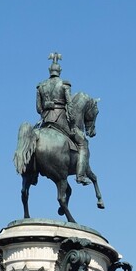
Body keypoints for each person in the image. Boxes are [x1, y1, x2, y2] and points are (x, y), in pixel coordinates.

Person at [36, 53, 89, 184]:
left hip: (45, 121)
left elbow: (38, 108)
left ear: (50, 71)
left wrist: (48, 106)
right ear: (59, 71)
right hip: (60, 120)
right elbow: (69, 104)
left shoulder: (41, 86)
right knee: (83, 143)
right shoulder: (64, 84)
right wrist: (71, 120)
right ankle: (81, 175)